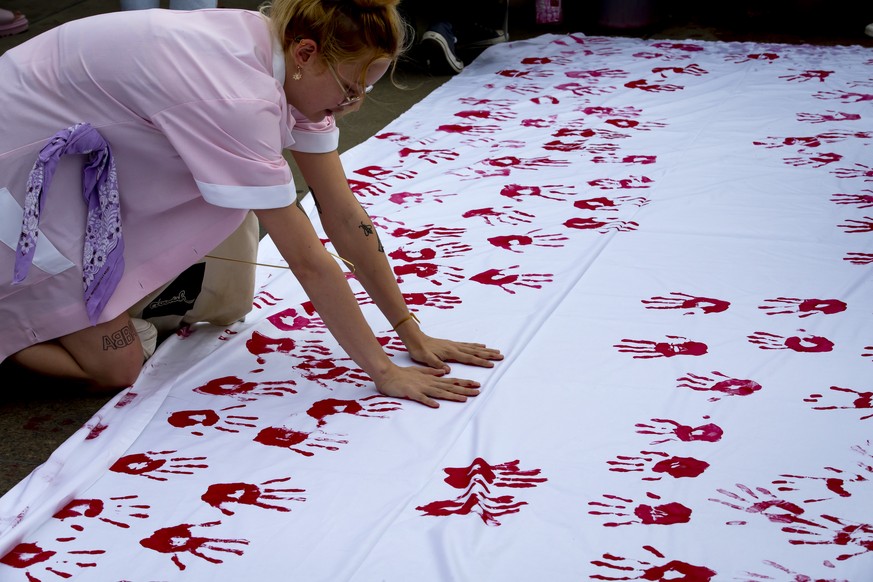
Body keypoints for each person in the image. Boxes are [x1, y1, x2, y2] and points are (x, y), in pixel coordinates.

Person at [0, 0, 502, 408]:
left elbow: (345, 215)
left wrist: (410, 333)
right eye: (351, 89)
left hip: (74, 140)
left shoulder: (285, 58)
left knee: (228, 284)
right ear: (306, 53)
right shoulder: (240, 99)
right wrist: (384, 371)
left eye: (366, 91)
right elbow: (308, 259)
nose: (354, 106)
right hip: (19, 158)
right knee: (116, 367)